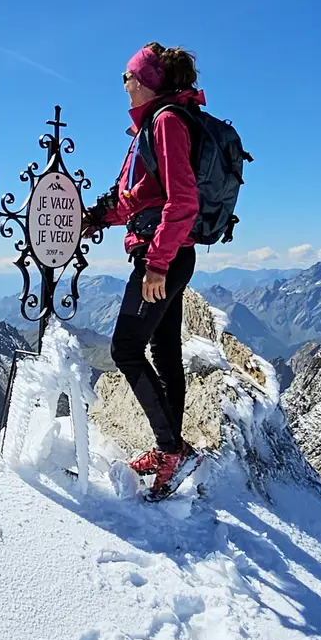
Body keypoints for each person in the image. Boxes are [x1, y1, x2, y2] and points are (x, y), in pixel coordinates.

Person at [86, 42, 205, 492]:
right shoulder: (156, 125)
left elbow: (183, 201)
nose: (124, 84)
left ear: (146, 81)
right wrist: (96, 218)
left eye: (127, 76)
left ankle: (171, 450)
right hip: (171, 254)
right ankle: (173, 446)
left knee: (125, 350)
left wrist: (156, 264)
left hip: (164, 257)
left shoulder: (167, 122)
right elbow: (141, 197)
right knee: (164, 351)